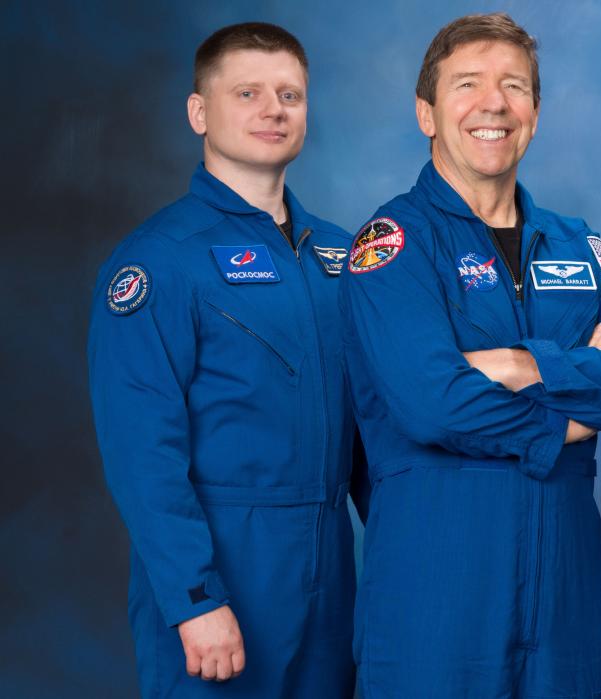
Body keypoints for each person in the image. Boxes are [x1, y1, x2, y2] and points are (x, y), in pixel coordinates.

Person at [338, 12, 601, 698]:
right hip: (438, 591)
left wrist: (527, 365)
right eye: (468, 84)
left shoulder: (579, 244)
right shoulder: (391, 243)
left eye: (513, 86)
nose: (494, 103)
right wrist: (573, 417)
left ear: (535, 112)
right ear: (426, 112)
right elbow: (432, 401)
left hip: (564, 598)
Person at [88, 22, 362, 698]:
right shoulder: (157, 260)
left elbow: (377, 425)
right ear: (199, 112)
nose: (273, 109)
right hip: (226, 560)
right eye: (248, 92)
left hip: (332, 563)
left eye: (290, 94)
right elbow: (141, 451)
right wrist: (194, 597)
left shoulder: (342, 256)